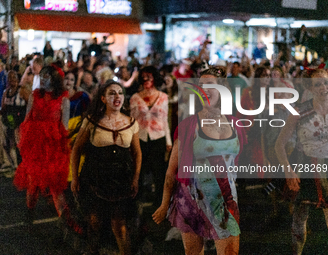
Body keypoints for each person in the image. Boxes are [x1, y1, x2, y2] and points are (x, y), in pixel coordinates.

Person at [152, 66, 246, 255]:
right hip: (192, 199)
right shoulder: (188, 126)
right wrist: (164, 204)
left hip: (226, 200)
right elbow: (171, 171)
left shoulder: (236, 125)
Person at [71, 80, 142, 255]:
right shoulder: (92, 121)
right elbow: (76, 150)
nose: (117, 96)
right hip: (95, 179)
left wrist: (135, 178)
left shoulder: (131, 123)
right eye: (112, 93)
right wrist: (75, 177)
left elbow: (137, 154)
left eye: (120, 93)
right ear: (103, 98)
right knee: (95, 221)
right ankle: (93, 250)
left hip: (121, 181)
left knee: (120, 225)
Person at [13, 66, 80, 232]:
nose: (42, 79)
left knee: (56, 187)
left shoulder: (63, 99)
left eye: (46, 76)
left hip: (53, 146)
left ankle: (67, 222)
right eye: (41, 76)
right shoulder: (35, 96)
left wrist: (64, 148)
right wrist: (22, 138)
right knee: (32, 183)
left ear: (55, 78)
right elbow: (27, 119)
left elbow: (64, 127)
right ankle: (29, 215)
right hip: (35, 145)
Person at [275, 69, 328, 255]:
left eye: (326, 83)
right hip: (305, 169)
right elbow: (279, 145)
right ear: (310, 88)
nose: (324, 88)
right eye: (318, 84)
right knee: (299, 218)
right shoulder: (299, 111)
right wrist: (288, 170)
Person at [130, 66, 172, 204]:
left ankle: (159, 201)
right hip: (140, 137)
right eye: (144, 77)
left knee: (158, 171)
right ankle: (138, 199)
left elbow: (165, 120)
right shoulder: (135, 98)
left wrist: (168, 141)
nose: (146, 79)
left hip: (158, 137)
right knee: (139, 169)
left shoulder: (163, 97)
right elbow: (132, 121)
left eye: (149, 76)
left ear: (155, 78)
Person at [0, 70, 27, 177]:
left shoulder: (21, 91)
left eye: (14, 77)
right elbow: (3, 108)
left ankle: (22, 167)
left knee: (18, 145)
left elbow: (29, 104)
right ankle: (14, 166)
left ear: (18, 78)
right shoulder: (6, 92)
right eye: (9, 77)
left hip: (19, 122)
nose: (12, 79)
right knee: (7, 144)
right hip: (8, 121)